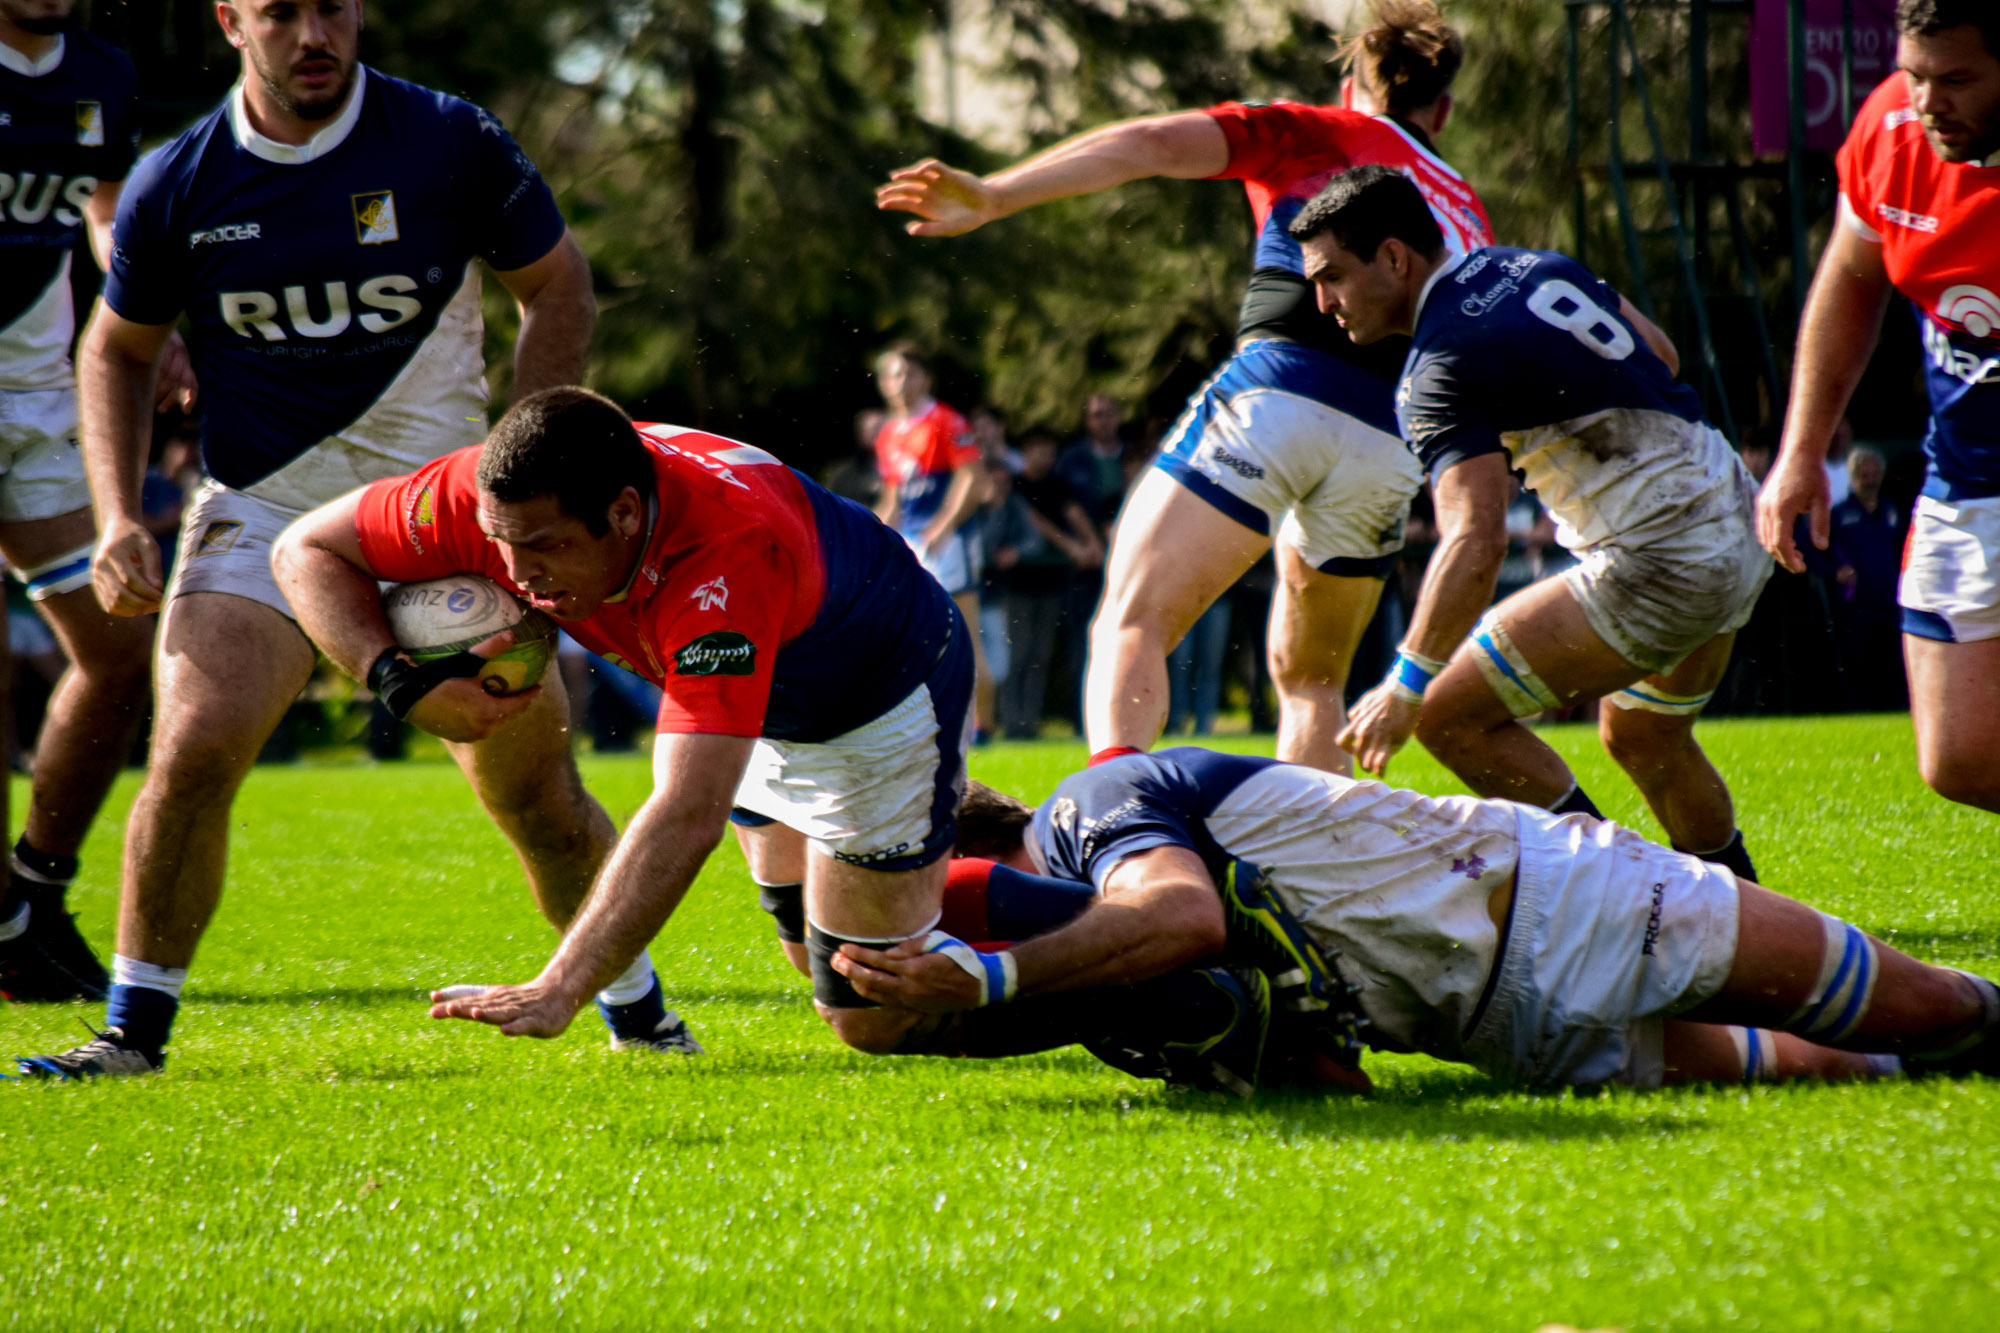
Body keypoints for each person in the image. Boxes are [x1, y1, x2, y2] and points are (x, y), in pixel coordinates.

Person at [15, 0, 596, 1077]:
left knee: (533, 793)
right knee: (191, 746)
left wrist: (527, 483)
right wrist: (115, 519)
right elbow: (116, 352)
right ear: (230, 19)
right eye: (281, 11)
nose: (313, 33)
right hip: (268, 511)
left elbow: (556, 284)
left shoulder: (448, 138)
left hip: (438, 515)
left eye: (332, 5)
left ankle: (635, 1009)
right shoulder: (174, 180)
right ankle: (131, 1036)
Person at [270, 389, 977, 1064]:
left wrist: (560, 988)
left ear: (626, 512)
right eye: (500, 541)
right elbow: (302, 550)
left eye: (545, 545)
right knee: (809, 952)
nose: (517, 573)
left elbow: (687, 812)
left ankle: (1076, 938)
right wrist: (395, 679)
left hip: (879, 695)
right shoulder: (496, 495)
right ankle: (985, 839)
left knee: (871, 1010)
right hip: (758, 700)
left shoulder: (724, 558)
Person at [875, 0, 1493, 772]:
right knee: (1312, 680)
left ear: (1353, 86)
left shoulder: (1322, 130)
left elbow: (1151, 142)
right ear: (1444, 109)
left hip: (1281, 393)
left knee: (1131, 622)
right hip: (1392, 442)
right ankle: (1311, 879)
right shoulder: (1465, 205)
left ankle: (1117, 835)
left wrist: (1000, 194)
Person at [837, 750, 2000, 1092]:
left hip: (1559, 896)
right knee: (1860, 1070)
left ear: (974, 853)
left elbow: (1181, 915)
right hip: (1495, 1032)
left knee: (1936, 1006)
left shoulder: (1096, 802)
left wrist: (991, 981)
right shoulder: (1104, 979)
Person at [1295, 166, 1768, 885]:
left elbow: (1474, 539)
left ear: (1394, 257)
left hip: (1663, 561)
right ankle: (1753, 916)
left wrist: (1404, 682)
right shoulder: (1529, 264)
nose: (1322, 302)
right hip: (1735, 509)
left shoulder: (1435, 366)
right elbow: (1662, 355)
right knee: (1644, 733)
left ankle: (1638, 898)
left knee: (1447, 715)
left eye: (1332, 276)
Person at [0, 0, 199, 1004]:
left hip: (37, 398)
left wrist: (152, 314)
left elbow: (108, 211)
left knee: (120, 647)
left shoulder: (102, 74)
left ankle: (30, 892)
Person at [1757, 0, 2000, 813]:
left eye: (1957, 79)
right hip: (1967, 474)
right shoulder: (1892, 127)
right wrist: (1801, 451)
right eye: (1914, 73)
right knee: (1959, 757)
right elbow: (1852, 281)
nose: (1929, 101)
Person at [872, 344, 994, 741]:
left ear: (924, 378)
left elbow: (971, 477)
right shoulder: (889, 432)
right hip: (909, 543)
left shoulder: (944, 420)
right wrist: (874, 537)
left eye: (907, 374)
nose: (899, 383)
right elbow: (893, 497)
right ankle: (925, 724)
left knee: (963, 630)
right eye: (892, 375)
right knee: (908, 635)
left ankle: (985, 728)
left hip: (946, 542)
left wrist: (944, 526)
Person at [1828, 445, 1911, 710]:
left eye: (1875, 474)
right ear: (1854, 478)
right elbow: (1814, 547)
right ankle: (1860, 710)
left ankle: (1895, 709)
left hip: (1889, 600)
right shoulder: (1840, 515)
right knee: (1860, 661)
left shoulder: (1891, 511)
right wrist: (1835, 571)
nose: (1871, 480)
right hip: (1856, 603)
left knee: (1893, 661)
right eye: (1865, 475)